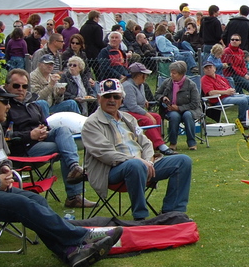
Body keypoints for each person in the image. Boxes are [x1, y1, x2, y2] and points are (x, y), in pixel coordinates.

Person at [0, 83, 120, 267]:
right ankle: (82, 237)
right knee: (22, 204)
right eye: (4, 101)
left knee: (37, 200)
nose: (9, 106)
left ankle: (70, 252)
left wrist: (5, 168)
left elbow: (3, 156)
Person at [82, 79, 193, 220]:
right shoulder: (91, 124)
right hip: (111, 170)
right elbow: (105, 153)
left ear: (122, 100)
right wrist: (137, 160)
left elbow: (146, 143)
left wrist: (148, 161)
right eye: (107, 96)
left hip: (142, 165)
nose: (112, 100)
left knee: (183, 161)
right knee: (135, 165)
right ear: (99, 98)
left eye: (116, 97)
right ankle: (140, 217)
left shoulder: (128, 118)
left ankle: (172, 213)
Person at [3, 69, 93, 210]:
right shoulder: (4, 107)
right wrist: (30, 135)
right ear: (7, 86)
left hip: (40, 141)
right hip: (22, 149)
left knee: (62, 130)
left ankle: (74, 167)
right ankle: (74, 196)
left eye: (24, 86)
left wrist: (44, 131)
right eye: (16, 86)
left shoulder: (32, 104)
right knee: (64, 149)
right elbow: (4, 136)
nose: (21, 89)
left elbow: (45, 124)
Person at [121, 63, 175, 157]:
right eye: (144, 74)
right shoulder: (128, 86)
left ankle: (155, 145)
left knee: (157, 117)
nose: (146, 77)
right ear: (138, 75)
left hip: (135, 111)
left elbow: (139, 98)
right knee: (147, 120)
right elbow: (132, 106)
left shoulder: (141, 85)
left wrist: (144, 100)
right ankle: (160, 145)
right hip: (126, 112)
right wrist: (147, 114)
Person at [154, 61, 203, 150]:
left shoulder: (191, 85)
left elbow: (195, 103)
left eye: (174, 73)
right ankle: (173, 143)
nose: (171, 75)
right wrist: (163, 98)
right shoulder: (167, 82)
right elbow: (157, 94)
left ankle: (192, 143)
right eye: (171, 73)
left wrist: (179, 108)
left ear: (181, 74)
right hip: (171, 110)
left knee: (187, 115)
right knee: (174, 116)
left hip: (190, 110)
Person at [200, 61, 249, 126]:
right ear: (204, 71)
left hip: (231, 96)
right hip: (219, 100)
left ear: (214, 68)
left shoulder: (219, 77)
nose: (209, 69)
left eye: (210, 67)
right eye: (206, 68)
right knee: (243, 100)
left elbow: (228, 87)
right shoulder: (204, 79)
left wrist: (231, 90)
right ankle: (242, 121)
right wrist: (226, 92)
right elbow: (211, 93)